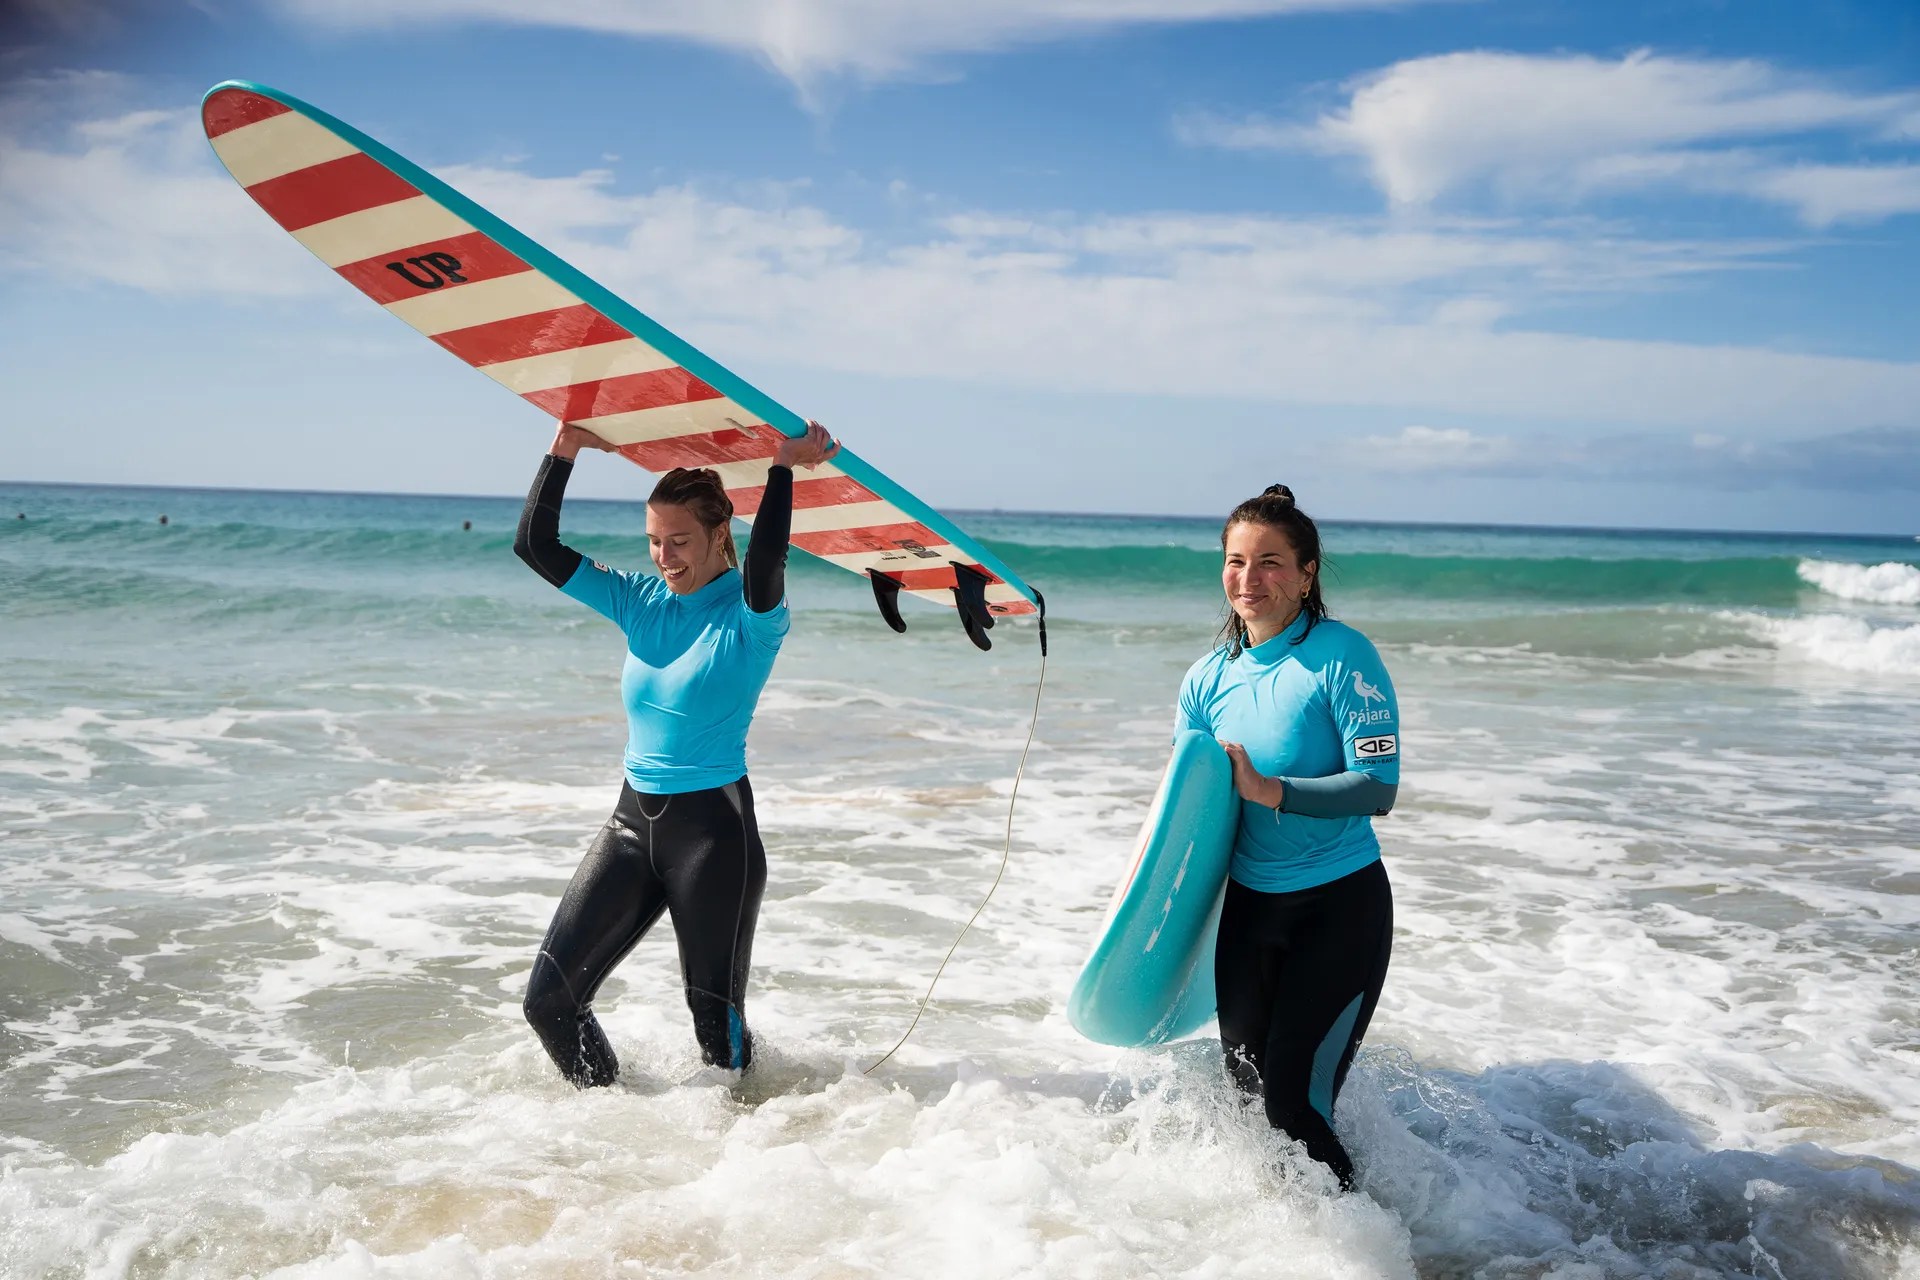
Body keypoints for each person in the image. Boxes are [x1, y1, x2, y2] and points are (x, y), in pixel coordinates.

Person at [513, 418, 838, 1087]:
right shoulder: (640, 601)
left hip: (714, 837)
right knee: (548, 1003)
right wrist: (566, 445)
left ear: (720, 535)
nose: (664, 557)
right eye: (654, 541)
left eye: (680, 540)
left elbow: (767, 563)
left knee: (714, 1024)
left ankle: (750, 1138)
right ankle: (614, 1124)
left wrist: (782, 466)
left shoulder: (751, 617)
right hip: (630, 827)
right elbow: (535, 546)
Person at [1175, 484, 1400, 1189]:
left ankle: (1369, 1240)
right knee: (1247, 1098)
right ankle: (1279, 1239)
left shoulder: (1342, 656)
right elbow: (1188, 812)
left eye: (1271, 562)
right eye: (1236, 561)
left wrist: (1275, 791)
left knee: (1294, 1108)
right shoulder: (1206, 679)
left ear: (1307, 574)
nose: (1250, 578)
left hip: (1337, 906)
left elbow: (1378, 786)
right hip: (1249, 911)